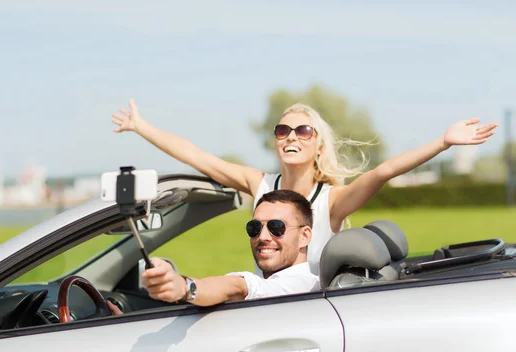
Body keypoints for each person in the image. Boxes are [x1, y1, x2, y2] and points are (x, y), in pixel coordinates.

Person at [112, 99, 498, 276]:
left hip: (310, 316)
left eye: (302, 130)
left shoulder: (332, 200)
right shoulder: (259, 183)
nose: (290, 136)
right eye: (283, 130)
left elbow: (384, 171)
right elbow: (197, 156)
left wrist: (444, 142)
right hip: (266, 304)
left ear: (317, 144)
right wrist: (141, 126)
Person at [107, 189, 319, 314]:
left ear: (304, 236)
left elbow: (237, 287)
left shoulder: (297, 285)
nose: (263, 237)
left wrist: (183, 287)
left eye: (276, 227)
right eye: (254, 228)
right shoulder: (290, 285)